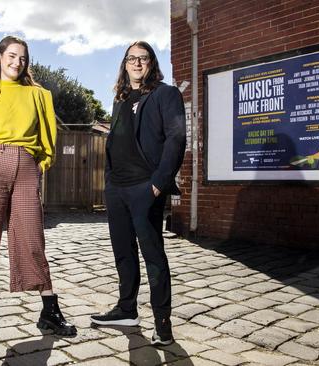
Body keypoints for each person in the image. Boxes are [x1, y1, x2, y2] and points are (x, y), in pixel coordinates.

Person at [0, 35, 76, 343]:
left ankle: (50, 311)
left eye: (22, 58)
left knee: (32, 239)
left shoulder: (39, 95)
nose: (17, 62)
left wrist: (40, 164)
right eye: (11, 55)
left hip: (25, 169)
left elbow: (49, 139)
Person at [90, 41, 186, 346]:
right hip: (117, 188)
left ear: (151, 63)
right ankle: (126, 309)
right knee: (123, 252)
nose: (137, 63)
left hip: (146, 187)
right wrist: (108, 181)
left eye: (143, 58)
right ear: (125, 64)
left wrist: (159, 182)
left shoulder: (165, 94)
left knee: (153, 255)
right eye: (132, 58)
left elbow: (176, 137)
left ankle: (163, 322)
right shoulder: (120, 98)